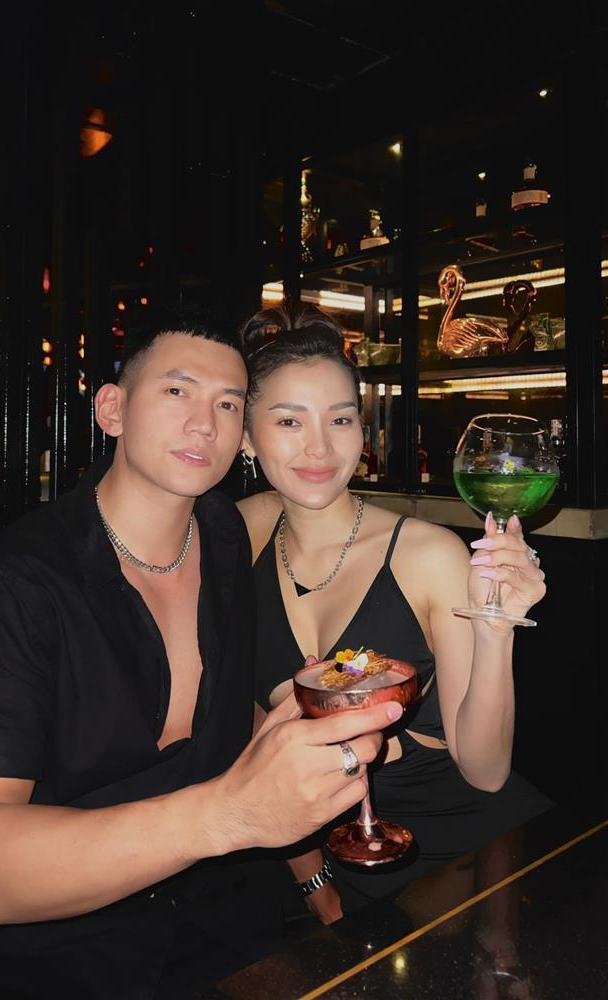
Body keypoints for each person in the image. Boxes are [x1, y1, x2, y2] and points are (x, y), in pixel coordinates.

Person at [0, 309, 400, 998]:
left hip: (214, 927)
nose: (205, 423)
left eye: (228, 404)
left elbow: (233, 722)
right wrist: (227, 815)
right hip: (31, 957)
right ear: (112, 409)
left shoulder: (224, 537)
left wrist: (314, 869)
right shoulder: (11, 588)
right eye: (177, 391)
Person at [236, 302, 553, 921]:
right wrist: (318, 888)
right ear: (247, 437)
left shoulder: (428, 554)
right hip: (343, 866)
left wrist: (496, 628)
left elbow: (486, 772)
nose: (320, 446)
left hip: (478, 861)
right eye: (289, 421)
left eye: (341, 418)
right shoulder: (237, 537)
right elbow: (251, 737)